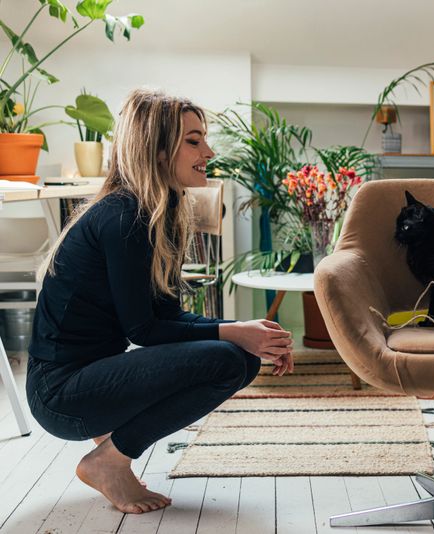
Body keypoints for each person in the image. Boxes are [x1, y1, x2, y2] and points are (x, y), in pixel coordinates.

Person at [26, 89, 294, 514]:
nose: (208, 150)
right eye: (193, 140)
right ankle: (109, 461)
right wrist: (234, 332)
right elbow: (144, 332)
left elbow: (166, 315)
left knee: (239, 359)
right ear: (157, 148)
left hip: (89, 379)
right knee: (228, 358)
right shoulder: (124, 216)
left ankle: (110, 451)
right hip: (60, 395)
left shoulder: (158, 212)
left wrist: (244, 334)